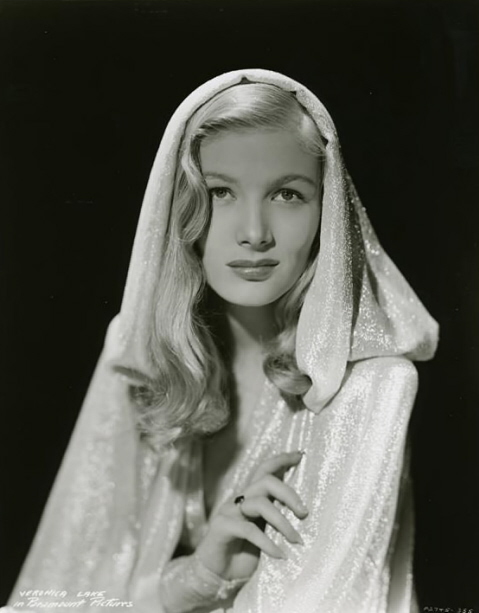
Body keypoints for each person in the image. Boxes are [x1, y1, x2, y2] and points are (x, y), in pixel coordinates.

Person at [8, 69, 439, 613]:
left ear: (327, 213)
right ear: (180, 206)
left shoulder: (373, 385)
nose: (254, 233)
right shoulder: (139, 352)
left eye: (288, 194)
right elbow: (59, 593)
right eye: (220, 192)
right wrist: (198, 578)